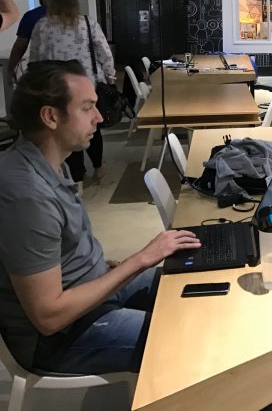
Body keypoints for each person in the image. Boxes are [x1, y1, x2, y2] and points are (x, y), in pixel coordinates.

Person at [0, 60, 201, 374]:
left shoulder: (51, 161)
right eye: (87, 108)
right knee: (191, 338)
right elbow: (48, 317)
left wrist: (96, 266)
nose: (100, 117)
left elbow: (65, 250)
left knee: (197, 285)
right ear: (51, 116)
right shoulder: (26, 196)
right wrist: (141, 259)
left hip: (92, 291)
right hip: (59, 338)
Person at [29, 0, 116, 189]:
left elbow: (35, 59)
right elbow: (105, 53)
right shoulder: (87, 23)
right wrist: (110, 77)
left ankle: (77, 178)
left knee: (65, 131)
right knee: (92, 128)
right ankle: (99, 168)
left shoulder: (42, 26)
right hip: (86, 84)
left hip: (55, 88)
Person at [8, 0, 60, 83]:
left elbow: (20, 46)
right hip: (71, 73)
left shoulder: (32, 16)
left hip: (43, 75)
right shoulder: (71, 14)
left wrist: (11, 69)